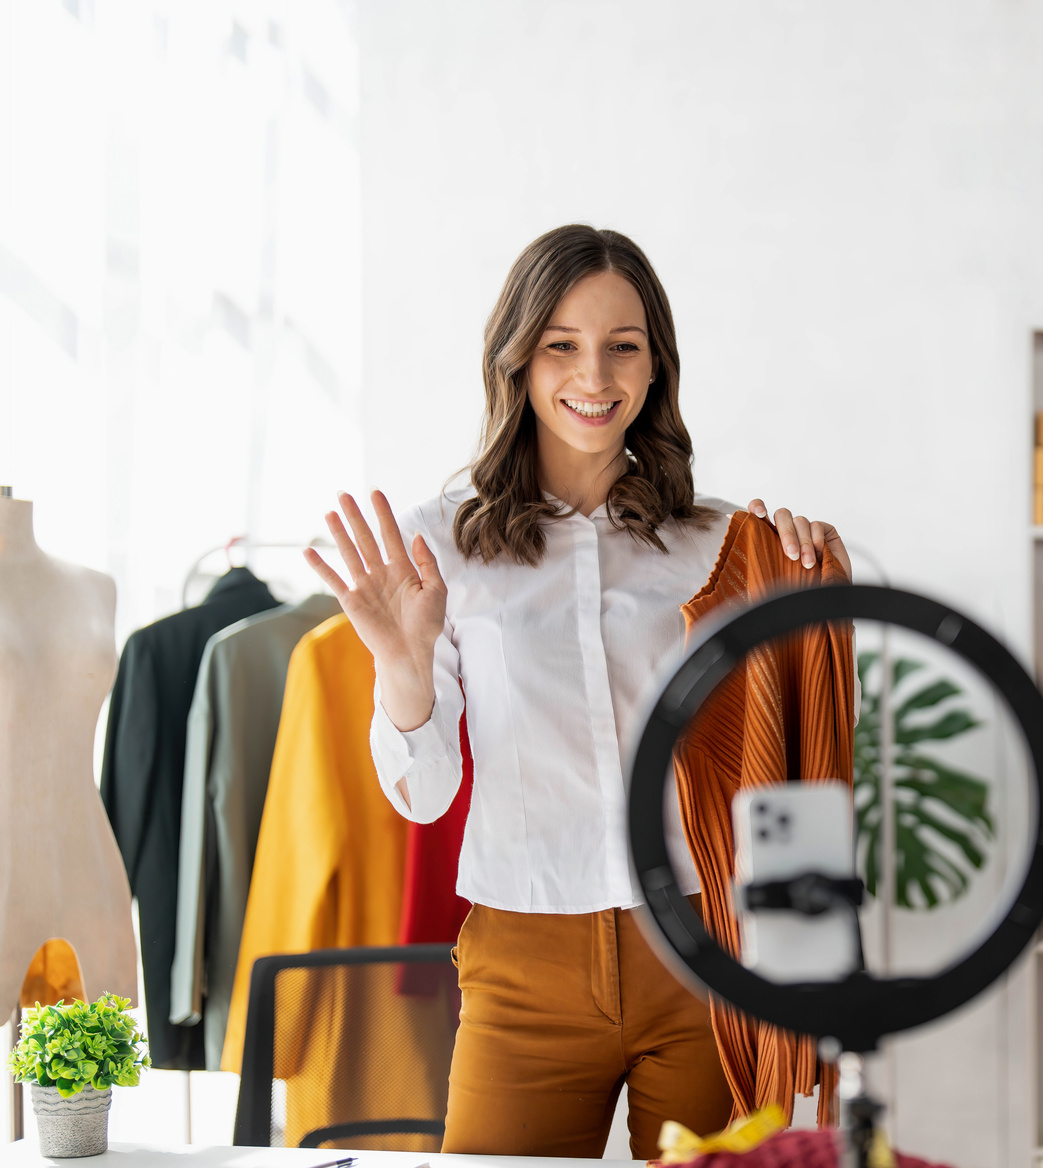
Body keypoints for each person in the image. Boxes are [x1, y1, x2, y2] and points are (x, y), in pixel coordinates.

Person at [305, 224, 848, 1159]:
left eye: (621, 347)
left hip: (699, 957)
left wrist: (803, 569)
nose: (593, 376)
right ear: (516, 359)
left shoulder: (722, 544)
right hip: (525, 965)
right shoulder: (441, 548)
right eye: (561, 344)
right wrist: (403, 663)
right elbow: (424, 795)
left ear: (654, 365)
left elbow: (788, 748)